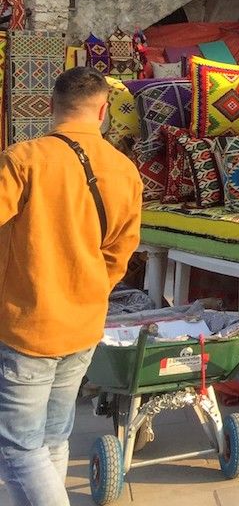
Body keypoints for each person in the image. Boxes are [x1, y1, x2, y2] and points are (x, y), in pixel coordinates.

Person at [0, 67, 142, 505]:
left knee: (19, 450)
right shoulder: (123, 170)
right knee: (54, 439)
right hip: (83, 323)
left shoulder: (24, 159)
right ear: (102, 111)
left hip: (27, 325)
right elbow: (120, 253)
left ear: (50, 106)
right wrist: (87, 286)